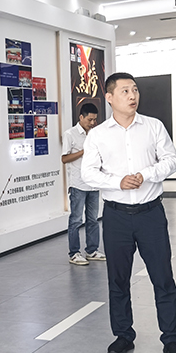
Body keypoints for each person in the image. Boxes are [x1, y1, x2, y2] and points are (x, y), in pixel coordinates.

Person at [81, 72, 176, 353]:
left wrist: (146, 175)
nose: (132, 96)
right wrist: (118, 182)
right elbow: (88, 173)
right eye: (125, 91)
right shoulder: (98, 134)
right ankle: (123, 335)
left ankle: (171, 339)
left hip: (150, 214)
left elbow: (172, 160)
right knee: (118, 280)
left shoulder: (153, 126)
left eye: (135, 90)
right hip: (116, 217)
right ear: (110, 98)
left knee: (163, 278)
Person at [61, 103, 106, 265]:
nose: (92, 123)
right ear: (81, 117)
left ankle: (92, 250)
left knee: (93, 219)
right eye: (89, 119)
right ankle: (74, 253)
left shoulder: (96, 134)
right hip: (78, 184)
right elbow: (64, 158)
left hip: (94, 183)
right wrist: (83, 151)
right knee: (76, 220)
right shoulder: (70, 134)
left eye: (94, 120)